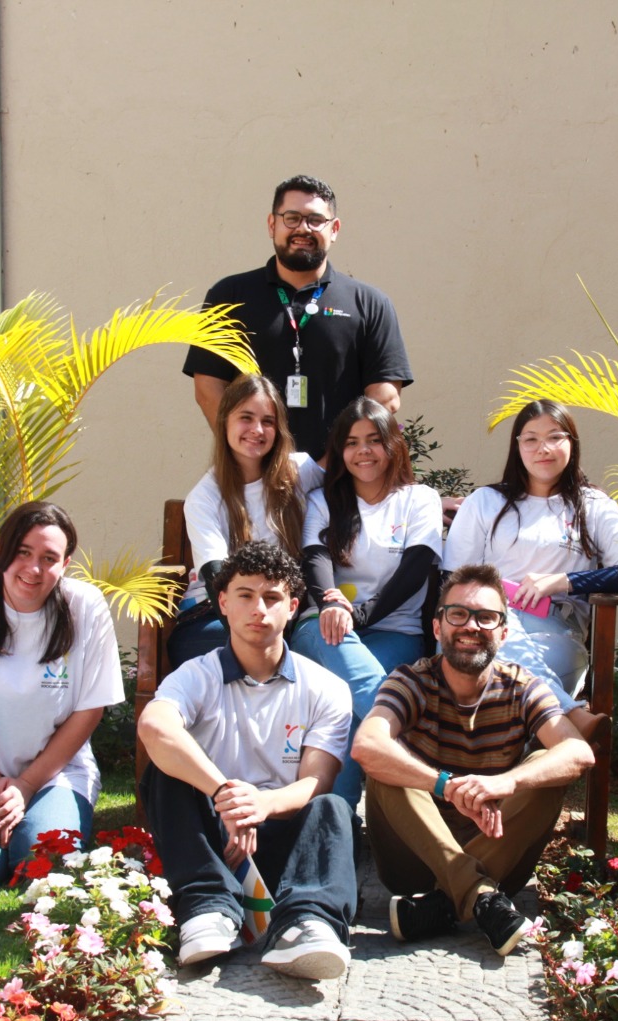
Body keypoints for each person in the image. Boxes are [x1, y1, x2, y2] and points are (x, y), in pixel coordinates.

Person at [138, 541, 357, 980]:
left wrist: (260, 805)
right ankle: (206, 910)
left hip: (281, 837)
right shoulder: (197, 675)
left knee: (333, 809)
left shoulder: (327, 688)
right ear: (223, 602)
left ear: (293, 607)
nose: (259, 609)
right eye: (245, 595)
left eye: (272, 597)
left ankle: (306, 923)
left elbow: (318, 780)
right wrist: (225, 794)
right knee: (165, 776)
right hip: (213, 840)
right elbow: (154, 727)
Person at [353, 564, 594, 956]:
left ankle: (443, 907)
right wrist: (445, 786)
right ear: (438, 627)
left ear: (504, 631)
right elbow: (367, 744)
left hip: (498, 850)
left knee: (548, 766)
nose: (471, 626)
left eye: (486, 617)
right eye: (458, 614)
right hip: (413, 859)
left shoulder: (523, 686)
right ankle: (481, 898)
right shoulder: (410, 681)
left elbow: (578, 751)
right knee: (387, 766)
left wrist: (507, 783)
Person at [0, 501, 123, 887]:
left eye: (49, 558)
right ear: (2, 551)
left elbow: (89, 711)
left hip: (57, 774)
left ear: (65, 564)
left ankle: (29, 826)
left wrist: (26, 786)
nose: (33, 569)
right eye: (23, 552)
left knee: (41, 863)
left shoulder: (85, 606)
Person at [443, 400, 618, 726]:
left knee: (491, 667)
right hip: (483, 622)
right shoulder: (486, 501)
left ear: (572, 443)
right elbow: (453, 578)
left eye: (555, 437)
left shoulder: (593, 505)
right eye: (531, 439)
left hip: (555, 629)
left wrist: (563, 581)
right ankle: (570, 716)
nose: (544, 449)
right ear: (518, 446)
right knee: (484, 654)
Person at [182, 175, 414, 459]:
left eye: (316, 220)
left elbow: (385, 398)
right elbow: (208, 388)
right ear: (272, 224)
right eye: (291, 218)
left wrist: (329, 469)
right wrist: (249, 457)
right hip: (253, 477)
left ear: (335, 229)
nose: (303, 228)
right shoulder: (228, 295)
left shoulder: (370, 303)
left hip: (341, 481)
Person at [291, 397, 443, 809]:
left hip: (395, 629)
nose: (363, 451)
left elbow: (416, 569)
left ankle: (339, 819)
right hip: (325, 626)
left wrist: (358, 614)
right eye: (352, 442)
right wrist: (330, 604)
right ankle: (419, 759)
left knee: (344, 702)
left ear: (392, 445)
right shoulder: (325, 500)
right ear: (340, 451)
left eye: (374, 440)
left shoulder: (418, 499)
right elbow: (315, 558)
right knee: (354, 670)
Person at [169, 373, 323, 666]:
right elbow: (216, 577)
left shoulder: (300, 471)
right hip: (215, 615)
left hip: (280, 614)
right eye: (246, 418)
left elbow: (360, 485)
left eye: (267, 421)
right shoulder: (205, 497)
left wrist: (428, 500)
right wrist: (249, 645)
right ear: (224, 420)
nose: (257, 429)